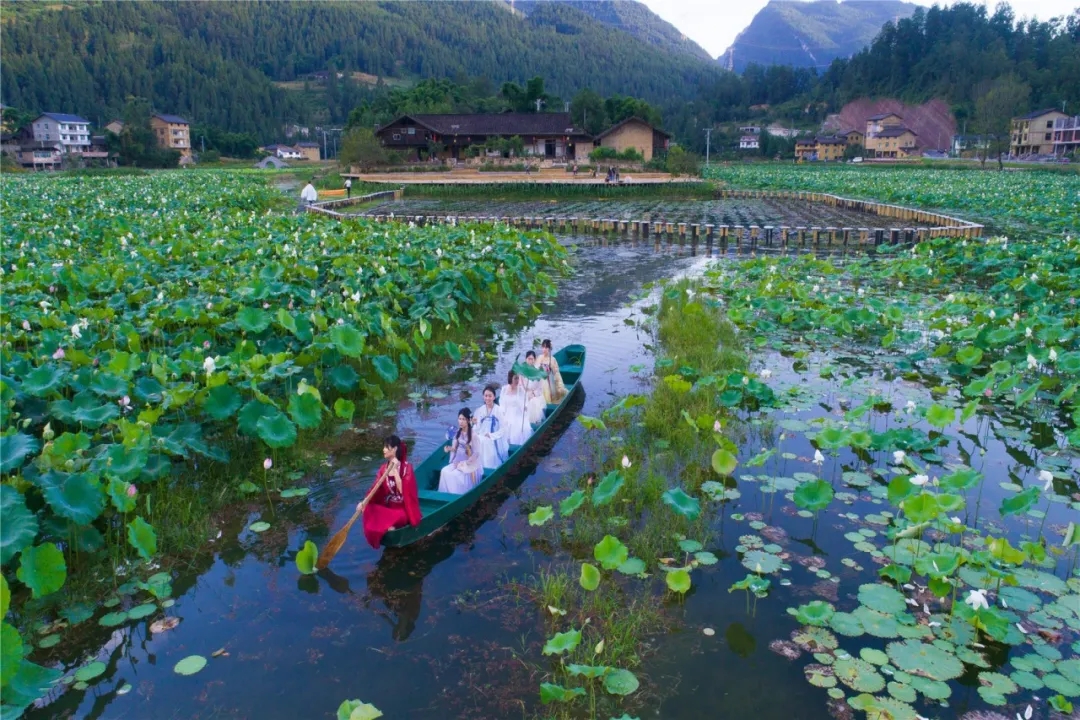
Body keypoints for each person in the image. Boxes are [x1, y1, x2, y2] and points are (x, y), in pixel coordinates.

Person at [359, 435, 421, 549]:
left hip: (404, 509)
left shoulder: (407, 468)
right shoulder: (383, 468)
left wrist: (395, 471)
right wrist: (364, 502)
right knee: (369, 508)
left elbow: (404, 492)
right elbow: (375, 488)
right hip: (390, 507)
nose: (383, 449)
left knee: (395, 519)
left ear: (395, 449)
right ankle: (388, 528)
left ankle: (392, 527)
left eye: (386, 447)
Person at [438, 408, 483, 494]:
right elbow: (454, 448)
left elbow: (476, 453)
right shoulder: (457, 432)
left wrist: (466, 463)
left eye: (463, 419)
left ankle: (456, 495)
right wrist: (449, 448)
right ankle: (446, 493)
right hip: (457, 460)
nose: (461, 422)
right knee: (444, 471)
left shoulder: (473, 436)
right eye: (459, 419)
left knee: (454, 475)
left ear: (468, 420)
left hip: (469, 463)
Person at [473, 385, 508, 469]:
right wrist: (473, 428)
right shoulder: (480, 410)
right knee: (476, 439)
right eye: (485, 396)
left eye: (490, 396)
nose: (487, 398)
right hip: (482, 435)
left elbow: (503, 428)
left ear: (494, 397)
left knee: (484, 441)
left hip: (494, 438)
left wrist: (491, 435)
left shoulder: (499, 410)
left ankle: (487, 466)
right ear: (483, 397)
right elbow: (477, 427)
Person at [500, 369, 532, 446]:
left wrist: (525, 406)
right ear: (510, 378)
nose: (517, 380)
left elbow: (525, 401)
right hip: (507, 413)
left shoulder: (520, 390)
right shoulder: (504, 389)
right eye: (515, 378)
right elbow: (501, 402)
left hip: (518, 414)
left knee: (520, 429)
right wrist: (502, 413)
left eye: (518, 378)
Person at [537, 339, 567, 403]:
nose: (544, 349)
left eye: (546, 347)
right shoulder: (539, 357)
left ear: (549, 349)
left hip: (549, 383)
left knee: (555, 393)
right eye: (543, 347)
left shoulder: (553, 360)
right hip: (540, 383)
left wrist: (560, 386)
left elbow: (557, 374)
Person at [523, 351, 548, 424]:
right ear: (526, 359)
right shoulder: (522, 371)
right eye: (529, 359)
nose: (530, 361)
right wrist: (525, 394)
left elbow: (540, 388)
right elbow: (520, 385)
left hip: (535, 395)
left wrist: (533, 394)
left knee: (533, 403)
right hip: (524, 393)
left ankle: (533, 423)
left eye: (532, 359)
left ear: (535, 359)